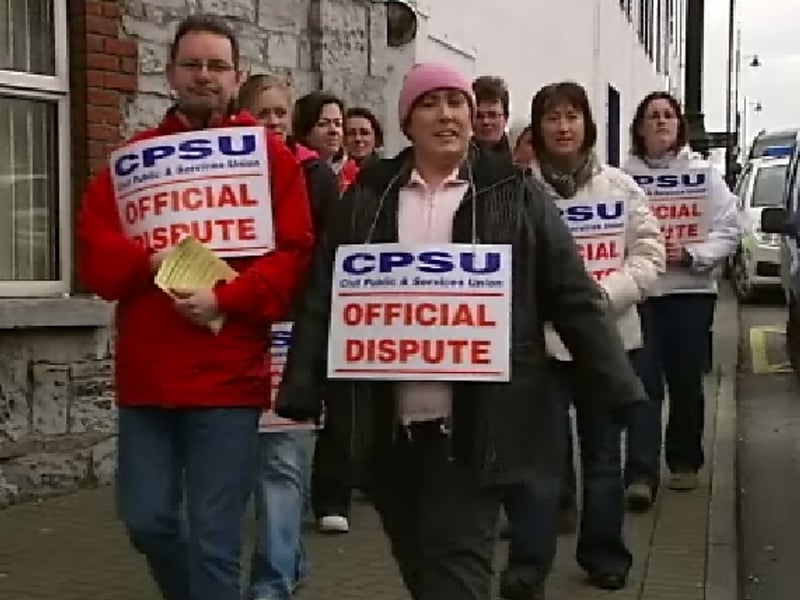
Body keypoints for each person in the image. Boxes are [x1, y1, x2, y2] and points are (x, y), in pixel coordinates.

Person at [275, 62, 647, 600]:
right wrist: (301, 388)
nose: (446, 114)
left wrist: (618, 386)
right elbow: (322, 298)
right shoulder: (367, 195)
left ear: (472, 118)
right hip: (386, 427)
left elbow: (572, 295)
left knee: (456, 573)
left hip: (476, 428)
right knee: (420, 566)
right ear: (407, 120)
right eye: (430, 104)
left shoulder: (514, 193)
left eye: (457, 103)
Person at [76, 16, 314, 600]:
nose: (204, 76)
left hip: (228, 380)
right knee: (146, 520)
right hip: (148, 381)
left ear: (235, 77)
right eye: (192, 64)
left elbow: (294, 256)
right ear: (170, 73)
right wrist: (148, 260)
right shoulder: (134, 161)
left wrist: (224, 299)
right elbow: (95, 259)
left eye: (216, 66)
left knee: (215, 541)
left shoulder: (269, 160)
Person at [500, 81, 665, 599]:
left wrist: (600, 298)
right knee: (540, 464)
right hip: (541, 347)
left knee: (603, 457)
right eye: (552, 117)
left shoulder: (619, 187)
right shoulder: (515, 192)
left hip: (606, 342)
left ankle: (604, 556)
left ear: (588, 125)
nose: (563, 127)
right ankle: (529, 565)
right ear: (536, 129)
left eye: (572, 116)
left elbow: (649, 256)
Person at [236, 72, 339, 600]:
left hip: (291, 331)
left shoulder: (314, 175)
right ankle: (290, 559)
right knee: (251, 462)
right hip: (233, 325)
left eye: (281, 113)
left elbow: (328, 257)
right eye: (263, 113)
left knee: (280, 459)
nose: (273, 122)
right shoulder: (222, 171)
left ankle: (273, 579)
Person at [623, 91, 739, 504]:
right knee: (643, 384)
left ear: (679, 125)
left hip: (691, 293)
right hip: (642, 295)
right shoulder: (623, 178)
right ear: (639, 128)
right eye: (652, 116)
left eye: (668, 115)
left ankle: (685, 461)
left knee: (686, 381)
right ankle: (640, 474)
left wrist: (691, 254)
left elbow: (730, 230)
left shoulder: (705, 175)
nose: (660, 122)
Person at [293, 91, 360, 192]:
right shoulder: (294, 171)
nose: (334, 131)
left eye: (338, 124)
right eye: (323, 124)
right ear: (304, 130)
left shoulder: (353, 175)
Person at [472, 75, 512, 159]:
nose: (485, 121)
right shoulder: (458, 160)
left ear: (506, 118)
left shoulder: (519, 158)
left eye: (493, 115)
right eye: (479, 116)